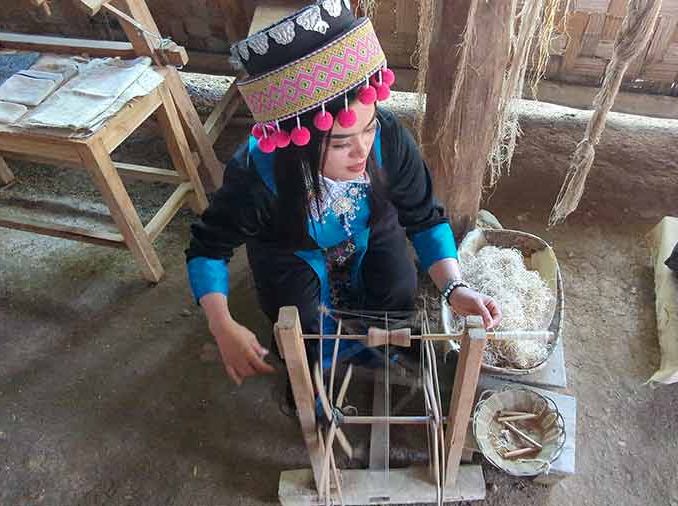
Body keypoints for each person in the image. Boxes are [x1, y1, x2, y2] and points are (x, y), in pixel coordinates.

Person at [186, 0, 501, 386]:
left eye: (367, 129)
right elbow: (208, 247)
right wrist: (221, 325)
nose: (362, 151)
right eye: (339, 144)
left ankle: (385, 340)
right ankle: (319, 359)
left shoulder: (388, 137)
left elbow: (423, 216)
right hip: (289, 247)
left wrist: (455, 287)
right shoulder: (256, 175)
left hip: (368, 228)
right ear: (295, 143)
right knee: (303, 323)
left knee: (399, 290)